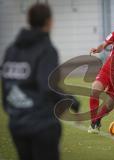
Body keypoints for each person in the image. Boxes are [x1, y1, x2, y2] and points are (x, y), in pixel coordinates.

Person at [1, 3, 79, 160]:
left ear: (29, 20)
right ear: (49, 21)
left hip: (16, 124)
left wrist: (12, 111)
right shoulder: (46, 49)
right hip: (41, 125)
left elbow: (6, 84)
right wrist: (70, 100)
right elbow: (47, 86)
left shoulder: (11, 49)